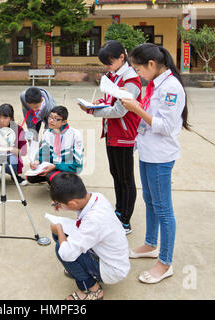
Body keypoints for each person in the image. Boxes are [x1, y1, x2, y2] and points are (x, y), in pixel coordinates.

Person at [121, 43, 191, 284]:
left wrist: (137, 109)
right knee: (149, 200)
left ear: (151, 64)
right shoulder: (155, 84)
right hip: (148, 153)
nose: (137, 74)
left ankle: (165, 261)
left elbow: (167, 127)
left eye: (139, 69)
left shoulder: (171, 88)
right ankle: (151, 243)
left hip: (161, 157)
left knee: (163, 208)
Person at [79, 40, 142, 235]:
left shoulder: (131, 81)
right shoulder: (112, 76)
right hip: (112, 132)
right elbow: (110, 101)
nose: (107, 67)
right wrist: (99, 103)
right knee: (116, 175)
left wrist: (92, 111)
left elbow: (120, 110)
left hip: (124, 133)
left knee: (126, 178)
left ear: (122, 57)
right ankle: (119, 211)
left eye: (110, 62)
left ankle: (126, 220)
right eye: (105, 64)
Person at [50, 172, 130, 300]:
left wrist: (59, 228)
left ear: (73, 203)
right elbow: (79, 209)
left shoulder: (94, 221)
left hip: (111, 270)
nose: (58, 205)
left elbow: (67, 254)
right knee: (64, 235)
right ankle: (81, 270)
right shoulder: (97, 197)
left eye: (60, 203)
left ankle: (92, 289)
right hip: (111, 256)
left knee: (61, 248)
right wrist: (61, 204)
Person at [27, 106, 83, 185]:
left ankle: (69, 180)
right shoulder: (47, 133)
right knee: (31, 177)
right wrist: (37, 161)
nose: (51, 121)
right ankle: (56, 180)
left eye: (56, 119)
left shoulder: (75, 134)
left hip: (67, 167)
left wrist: (55, 166)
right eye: (50, 117)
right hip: (53, 164)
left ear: (64, 122)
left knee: (51, 177)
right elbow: (42, 153)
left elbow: (77, 163)